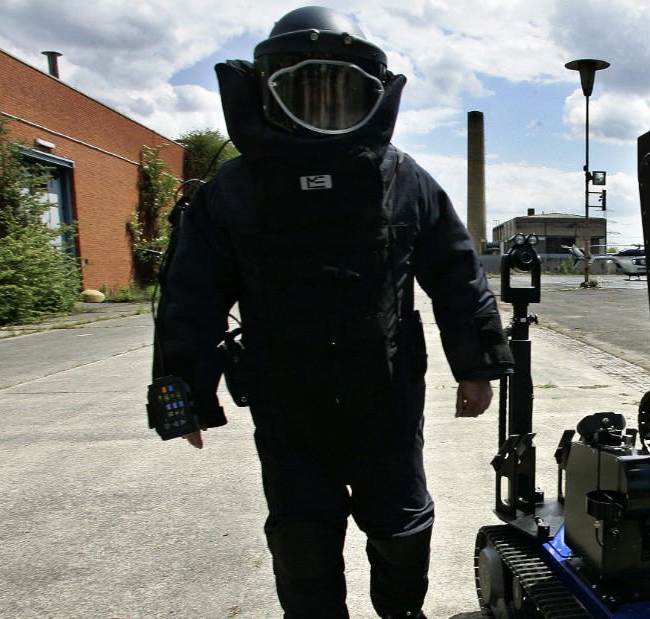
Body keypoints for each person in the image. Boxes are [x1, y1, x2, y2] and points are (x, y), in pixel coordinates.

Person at [151, 6, 513, 618]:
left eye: (337, 90)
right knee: (300, 537)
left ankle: (401, 613)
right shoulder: (233, 190)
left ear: (369, 96)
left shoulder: (403, 178)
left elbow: (457, 273)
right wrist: (182, 396)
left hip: (388, 397)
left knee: (402, 530)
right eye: (304, 89)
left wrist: (476, 366)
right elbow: (191, 298)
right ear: (268, 92)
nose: (320, 105)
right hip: (286, 401)